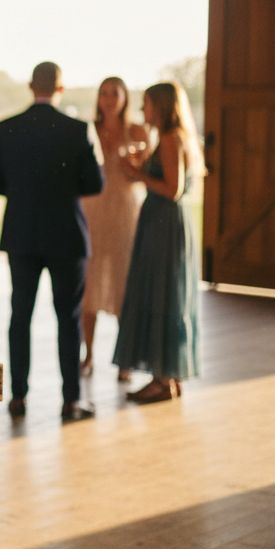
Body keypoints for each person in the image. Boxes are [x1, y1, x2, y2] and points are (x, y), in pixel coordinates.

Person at [0, 61, 103, 422]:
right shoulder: (79, 129)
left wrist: (23, 194)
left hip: (22, 233)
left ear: (29, 84)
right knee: (68, 318)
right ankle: (70, 400)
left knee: (20, 315)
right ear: (61, 88)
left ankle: (18, 396)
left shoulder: (6, 129)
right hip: (66, 233)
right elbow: (94, 185)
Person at [113, 81, 203, 403]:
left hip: (163, 224)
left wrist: (137, 174)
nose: (142, 109)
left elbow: (173, 189)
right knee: (167, 293)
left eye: (147, 104)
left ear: (161, 106)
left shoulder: (168, 138)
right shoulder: (169, 138)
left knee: (161, 293)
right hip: (163, 222)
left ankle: (162, 380)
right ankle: (168, 376)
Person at [79, 76, 149, 377]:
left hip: (124, 210)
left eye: (114, 93)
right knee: (90, 284)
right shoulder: (88, 130)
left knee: (123, 284)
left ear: (124, 97)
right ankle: (89, 354)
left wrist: (132, 167)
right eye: (104, 93)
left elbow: (145, 175)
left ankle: (126, 359)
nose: (108, 98)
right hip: (92, 209)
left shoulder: (137, 131)